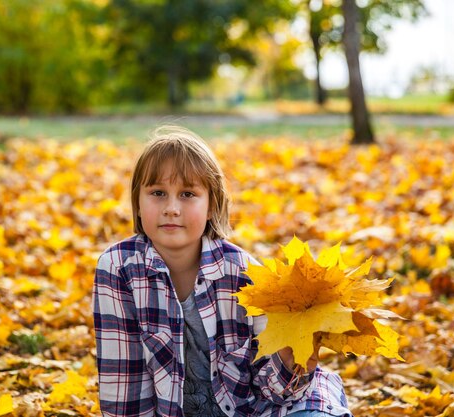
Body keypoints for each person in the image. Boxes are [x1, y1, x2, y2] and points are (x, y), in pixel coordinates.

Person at [92, 126, 352, 417]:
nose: (172, 208)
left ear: (212, 206)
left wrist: (292, 362)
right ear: (138, 204)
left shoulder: (243, 272)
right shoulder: (119, 268)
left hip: (260, 410)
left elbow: (273, 390)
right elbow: (124, 388)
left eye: (188, 194)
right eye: (158, 193)